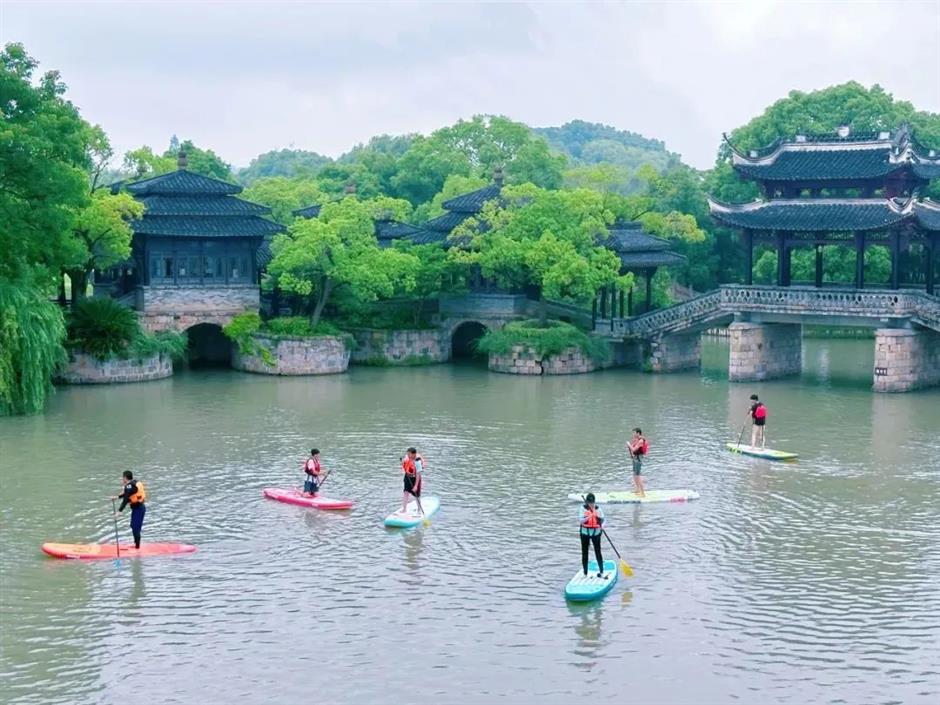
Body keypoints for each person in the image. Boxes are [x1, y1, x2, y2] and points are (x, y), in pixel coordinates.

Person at [113, 471, 146, 549]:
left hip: (139, 509)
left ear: (125, 478)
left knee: (135, 528)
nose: (122, 479)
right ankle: (136, 544)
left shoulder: (129, 487)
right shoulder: (133, 484)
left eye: (122, 478)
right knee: (133, 526)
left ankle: (137, 547)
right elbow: (129, 494)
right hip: (137, 508)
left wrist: (119, 512)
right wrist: (117, 497)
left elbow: (125, 500)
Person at [579, 493, 607, 578]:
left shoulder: (598, 509)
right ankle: (585, 573)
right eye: (589, 503)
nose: (591, 504)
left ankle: (601, 572)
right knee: (585, 553)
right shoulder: (583, 509)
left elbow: (604, 520)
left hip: (596, 533)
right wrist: (589, 516)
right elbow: (581, 521)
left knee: (598, 552)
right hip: (585, 533)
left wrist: (602, 526)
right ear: (587, 502)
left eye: (592, 503)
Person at [400, 447, 426, 516]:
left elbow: (418, 474)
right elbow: (404, 463)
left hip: (415, 478)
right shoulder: (407, 457)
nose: (408, 456)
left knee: (416, 495)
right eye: (407, 454)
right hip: (407, 476)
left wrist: (416, 485)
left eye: (409, 454)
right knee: (405, 492)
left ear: (413, 454)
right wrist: (402, 462)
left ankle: (419, 510)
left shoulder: (417, 461)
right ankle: (404, 509)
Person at [626, 427, 648, 498]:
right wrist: (629, 446)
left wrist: (629, 444)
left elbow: (634, 450)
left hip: (638, 459)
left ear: (638, 433)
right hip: (635, 458)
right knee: (634, 474)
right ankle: (638, 490)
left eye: (634, 433)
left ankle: (643, 493)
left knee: (638, 476)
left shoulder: (641, 441)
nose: (633, 434)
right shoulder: (636, 440)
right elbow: (632, 448)